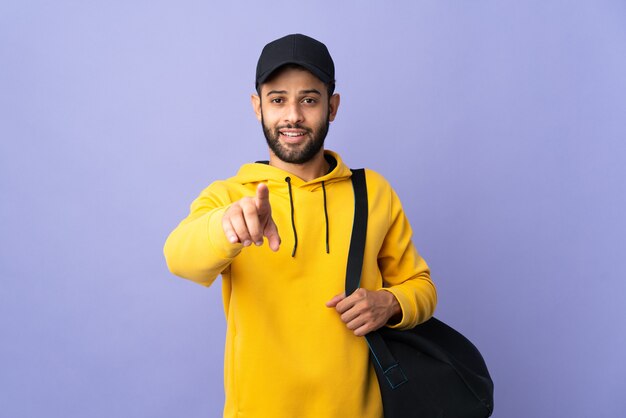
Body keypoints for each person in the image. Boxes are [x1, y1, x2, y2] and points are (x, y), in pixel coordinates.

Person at [163, 33, 437, 418]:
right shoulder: (229, 196)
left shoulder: (373, 192)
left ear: (332, 106)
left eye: (308, 99)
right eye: (278, 100)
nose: (292, 115)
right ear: (257, 107)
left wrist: (390, 303)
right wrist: (226, 227)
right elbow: (178, 258)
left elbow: (421, 287)